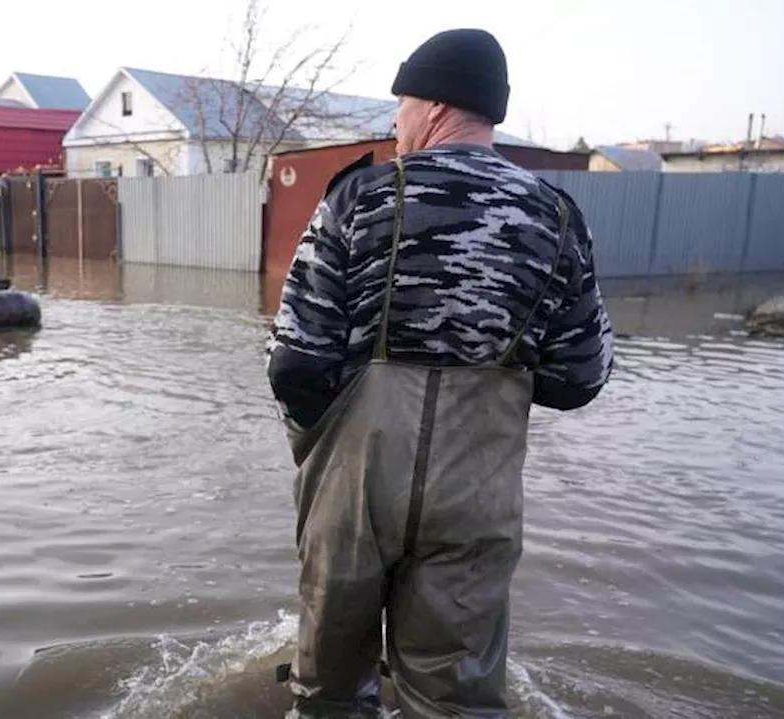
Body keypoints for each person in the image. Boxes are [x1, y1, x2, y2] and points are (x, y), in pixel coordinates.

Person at [265, 28, 614, 719]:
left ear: (429, 106)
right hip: (476, 497)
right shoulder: (556, 217)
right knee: (456, 703)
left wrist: (328, 461)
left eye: (399, 106)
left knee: (330, 695)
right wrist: (491, 380)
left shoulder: (356, 199)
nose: (395, 124)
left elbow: (294, 364)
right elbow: (582, 377)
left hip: (354, 494)